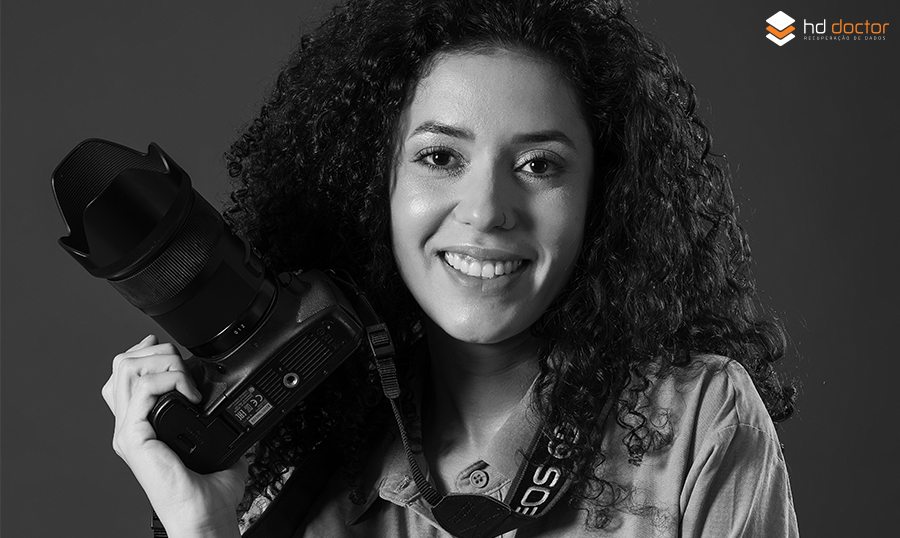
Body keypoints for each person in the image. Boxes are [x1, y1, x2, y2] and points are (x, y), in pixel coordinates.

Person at [101, 0, 799, 536]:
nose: (488, 209)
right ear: (377, 186)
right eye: (440, 157)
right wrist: (202, 526)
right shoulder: (302, 463)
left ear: (602, 198)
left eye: (538, 165)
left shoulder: (699, 419)